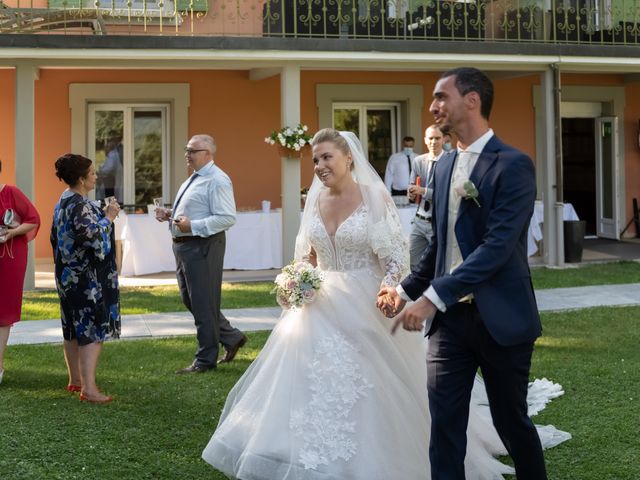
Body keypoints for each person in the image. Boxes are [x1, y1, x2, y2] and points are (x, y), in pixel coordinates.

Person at [201, 128, 532, 479]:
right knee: (304, 378)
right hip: (317, 306)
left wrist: (390, 288)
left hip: (365, 301)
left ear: (348, 158)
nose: (320, 165)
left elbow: (395, 260)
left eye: (327, 157)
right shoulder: (314, 201)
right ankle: (293, 448)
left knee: (371, 382)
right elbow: (307, 256)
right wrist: (295, 280)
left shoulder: (374, 197)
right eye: (315, 160)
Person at [378, 67, 549, 479]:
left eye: (441, 96)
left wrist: (430, 298)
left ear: (472, 100)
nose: (433, 105)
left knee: (512, 424)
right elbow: (440, 246)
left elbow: (496, 248)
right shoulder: (442, 166)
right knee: (446, 427)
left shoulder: (514, 165)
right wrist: (402, 289)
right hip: (450, 326)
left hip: (501, 318)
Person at [155, 134, 246, 373]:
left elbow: (227, 218)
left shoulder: (217, 179)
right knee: (192, 299)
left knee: (203, 302)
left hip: (202, 246)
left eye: (191, 150)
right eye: (187, 150)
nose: (187, 154)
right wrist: (169, 215)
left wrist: (193, 226)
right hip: (185, 245)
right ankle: (232, 336)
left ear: (207, 153)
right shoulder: (194, 179)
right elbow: (192, 212)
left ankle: (205, 360)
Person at [51, 153, 121, 403]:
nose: (96, 176)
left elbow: (61, 236)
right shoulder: (79, 204)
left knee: (71, 328)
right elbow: (91, 237)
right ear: (81, 179)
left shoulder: (64, 200)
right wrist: (110, 217)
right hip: (86, 279)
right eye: (92, 173)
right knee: (91, 329)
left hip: (67, 276)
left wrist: (100, 215)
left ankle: (76, 380)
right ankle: (89, 389)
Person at [0, 159, 40, 385]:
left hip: (9, 258)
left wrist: (12, 233)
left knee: (2, 314)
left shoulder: (11, 193)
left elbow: (33, 220)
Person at [407, 124, 446, 269]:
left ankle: (434, 291)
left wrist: (423, 191)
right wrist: (410, 192)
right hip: (419, 220)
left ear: (443, 140)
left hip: (438, 222)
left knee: (439, 263)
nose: (434, 142)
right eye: (431, 138)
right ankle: (418, 291)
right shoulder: (418, 161)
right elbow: (411, 185)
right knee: (412, 261)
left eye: (437, 138)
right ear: (425, 140)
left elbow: (446, 193)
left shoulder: (449, 161)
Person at [384, 135, 416, 206]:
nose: (408, 148)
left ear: (413, 146)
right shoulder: (394, 158)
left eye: (410, 146)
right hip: (398, 192)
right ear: (402, 145)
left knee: (413, 213)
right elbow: (388, 175)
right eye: (406, 145)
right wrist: (388, 193)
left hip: (414, 192)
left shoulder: (418, 158)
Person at [97, 135, 124, 204]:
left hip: (110, 182)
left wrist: (100, 171)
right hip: (112, 181)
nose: (105, 149)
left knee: (110, 199)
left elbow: (109, 168)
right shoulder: (115, 153)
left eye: (106, 147)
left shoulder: (112, 154)